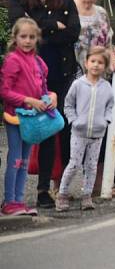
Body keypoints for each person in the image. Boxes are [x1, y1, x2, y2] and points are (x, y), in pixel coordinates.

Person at [8, 0, 80, 209]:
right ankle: (13, 195)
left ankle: (43, 189)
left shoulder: (66, 2)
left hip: (58, 76)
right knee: (22, 133)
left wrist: (43, 29)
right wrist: (53, 26)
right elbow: (19, 27)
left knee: (51, 131)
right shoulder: (18, 0)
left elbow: (72, 34)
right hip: (27, 78)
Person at [1, 18, 54, 216]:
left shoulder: (39, 62)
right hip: (15, 116)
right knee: (15, 158)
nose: (27, 41)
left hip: (33, 118)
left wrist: (49, 97)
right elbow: (5, 91)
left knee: (24, 160)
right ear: (15, 38)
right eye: (23, 36)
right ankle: (9, 201)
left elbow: (43, 88)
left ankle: (19, 200)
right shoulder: (12, 60)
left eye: (32, 37)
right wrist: (28, 100)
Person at [56, 46, 115, 212]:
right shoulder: (78, 84)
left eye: (100, 62)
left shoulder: (106, 87)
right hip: (78, 133)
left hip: (97, 134)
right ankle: (62, 194)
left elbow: (110, 105)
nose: (96, 65)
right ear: (86, 62)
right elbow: (68, 104)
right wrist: (74, 121)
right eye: (93, 61)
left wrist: (106, 120)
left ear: (105, 66)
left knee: (91, 166)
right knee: (74, 164)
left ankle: (87, 195)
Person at [74, 0, 115, 72]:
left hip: (98, 76)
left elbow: (108, 46)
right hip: (72, 76)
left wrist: (114, 63)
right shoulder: (67, 10)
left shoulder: (102, 13)